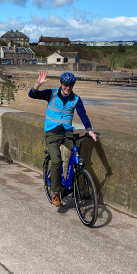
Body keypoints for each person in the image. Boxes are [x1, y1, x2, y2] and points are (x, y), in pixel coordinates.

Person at [29, 70, 97, 207]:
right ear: (61, 83)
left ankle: (77, 185)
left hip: (67, 133)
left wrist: (90, 131)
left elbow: (83, 114)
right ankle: (55, 192)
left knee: (77, 152)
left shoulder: (76, 99)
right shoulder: (51, 93)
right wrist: (37, 84)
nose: (68, 88)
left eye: (70, 85)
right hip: (52, 133)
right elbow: (32, 95)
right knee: (56, 161)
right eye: (65, 85)